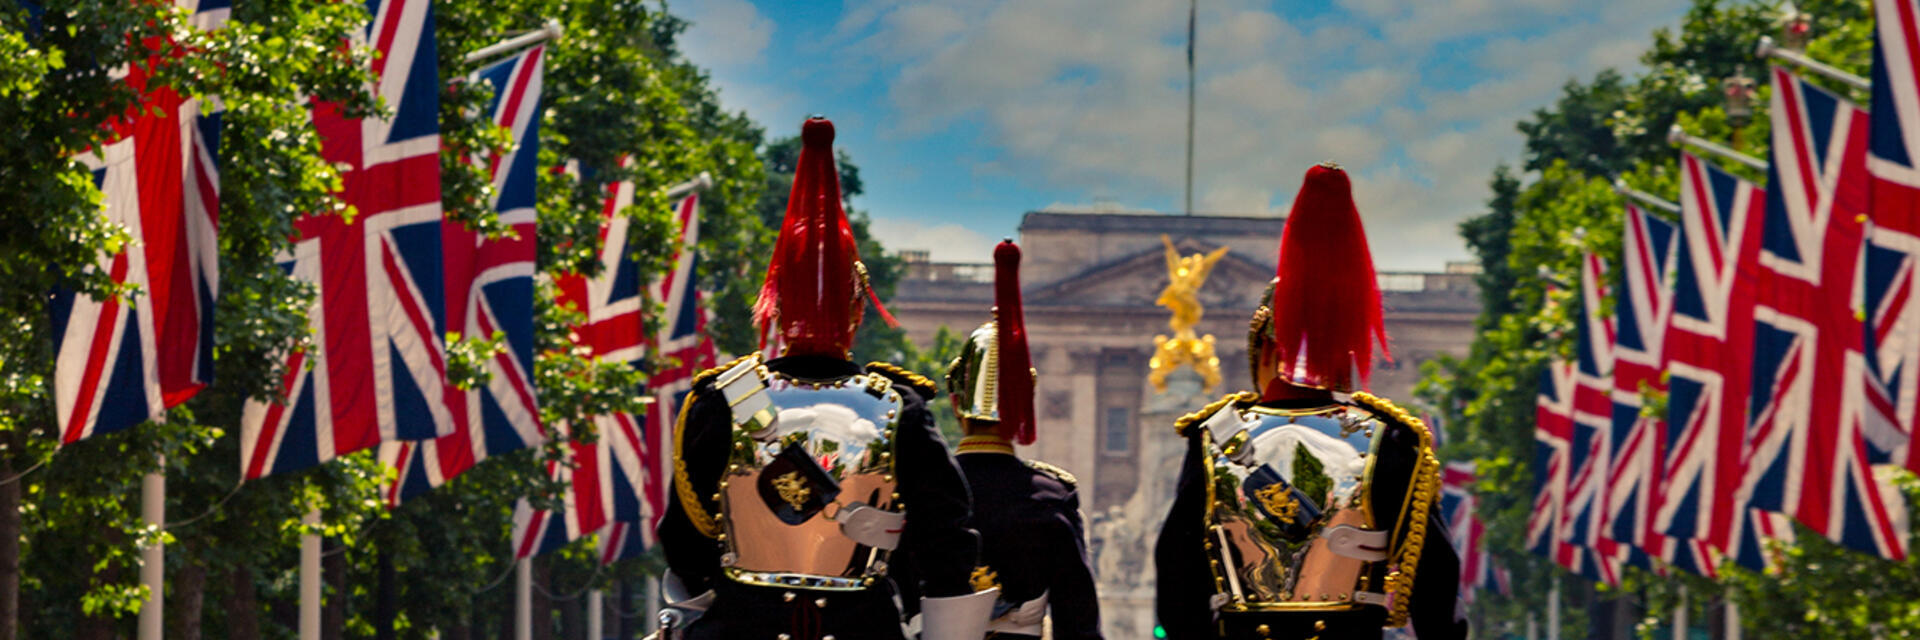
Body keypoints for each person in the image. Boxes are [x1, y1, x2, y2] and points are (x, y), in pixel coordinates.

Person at [655, 117, 997, 640]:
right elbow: (946, 539)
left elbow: (684, 539)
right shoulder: (898, 407)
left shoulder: (721, 400)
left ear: (774, 306)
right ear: (858, 310)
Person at [1152, 163, 1466, 640]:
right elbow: (1435, 589)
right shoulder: (1391, 439)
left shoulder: (1214, 437)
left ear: (1265, 350)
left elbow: (1179, 577)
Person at [944, 239, 1104, 640]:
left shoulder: (920, 488)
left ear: (954, 403)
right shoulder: (1052, 495)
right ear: (1023, 405)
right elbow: (1076, 618)